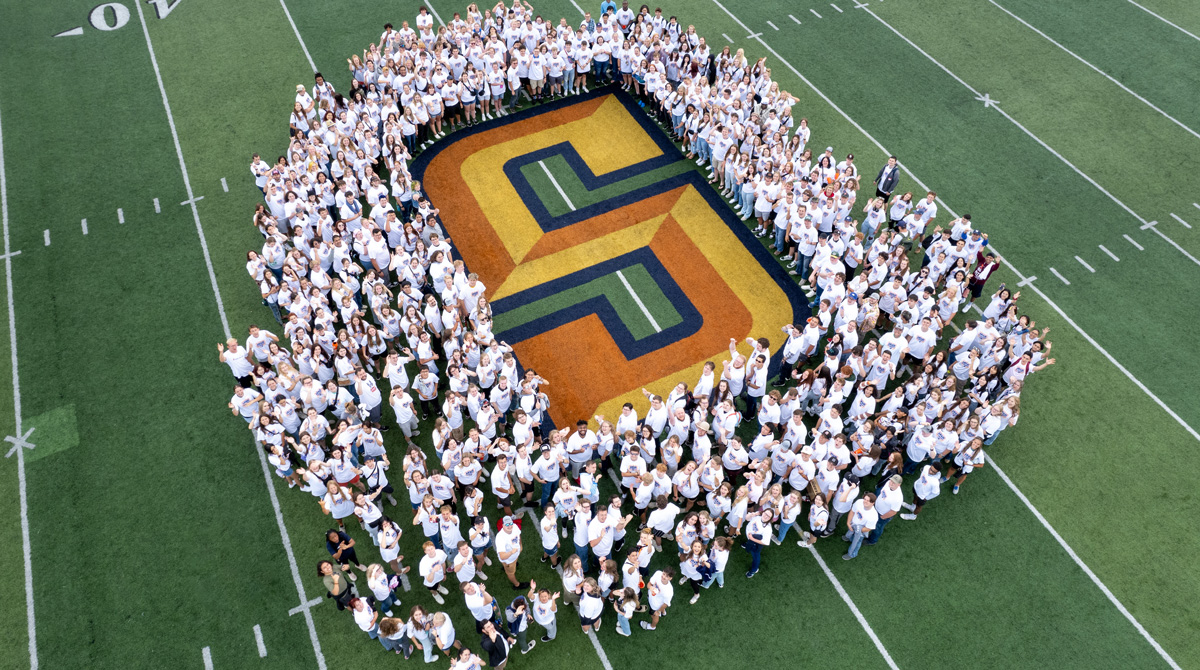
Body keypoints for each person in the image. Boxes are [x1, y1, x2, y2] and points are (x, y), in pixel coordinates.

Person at [842, 492, 878, 560]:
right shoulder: (859, 502)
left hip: (861, 531)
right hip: (853, 524)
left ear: (873, 503)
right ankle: (848, 537)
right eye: (865, 499)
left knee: (857, 542)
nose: (865, 501)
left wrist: (857, 529)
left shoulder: (873, 515)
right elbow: (852, 511)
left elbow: (868, 528)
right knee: (850, 533)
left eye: (868, 501)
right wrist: (848, 523)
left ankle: (852, 554)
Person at [495, 515, 528, 589]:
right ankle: (517, 585)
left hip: (515, 554)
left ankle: (510, 565)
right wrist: (511, 552)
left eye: (510, 523)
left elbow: (518, 535)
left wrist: (520, 546)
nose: (509, 526)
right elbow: (502, 556)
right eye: (507, 524)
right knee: (510, 573)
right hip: (509, 560)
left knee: (514, 563)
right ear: (503, 525)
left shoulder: (515, 526)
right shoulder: (500, 537)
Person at [742, 508, 773, 578]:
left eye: (768, 516)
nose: (765, 516)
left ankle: (754, 570)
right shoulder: (757, 516)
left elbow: (765, 542)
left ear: (770, 519)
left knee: (756, 556)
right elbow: (746, 518)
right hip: (750, 539)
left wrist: (752, 539)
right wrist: (754, 514)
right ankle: (747, 544)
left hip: (755, 544)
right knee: (748, 544)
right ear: (763, 512)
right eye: (765, 514)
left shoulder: (768, 529)